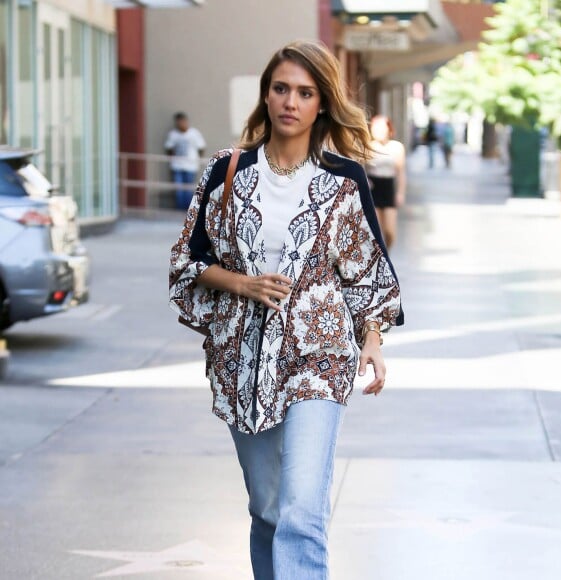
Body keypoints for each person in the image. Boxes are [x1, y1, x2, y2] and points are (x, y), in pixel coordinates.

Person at [169, 40, 403, 580]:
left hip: (318, 356)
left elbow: (367, 270)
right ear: (266, 95)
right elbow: (186, 261)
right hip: (243, 359)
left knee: (302, 509)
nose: (290, 102)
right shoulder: (226, 172)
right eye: (280, 89)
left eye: (304, 92)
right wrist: (242, 283)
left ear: (322, 102)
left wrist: (372, 337)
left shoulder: (344, 181)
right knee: (269, 510)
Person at [366, 115, 406, 249]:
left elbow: (400, 172)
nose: (378, 131)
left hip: (388, 187)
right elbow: (359, 168)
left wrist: (400, 192)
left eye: (381, 128)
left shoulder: (397, 147)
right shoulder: (368, 146)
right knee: (375, 230)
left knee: (389, 231)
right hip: (373, 188)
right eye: (375, 128)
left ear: (389, 129)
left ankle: (386, 253)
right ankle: (379, 257)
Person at [164, 112, 206, 210]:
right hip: (177, 166)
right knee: (179, 190)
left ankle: (188, 210)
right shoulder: (173, 134)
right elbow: (169, 148)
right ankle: (180, 209)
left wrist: (196, 160)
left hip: (190, 166)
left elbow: (201, 147)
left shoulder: (194, 133)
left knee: (189, 189)